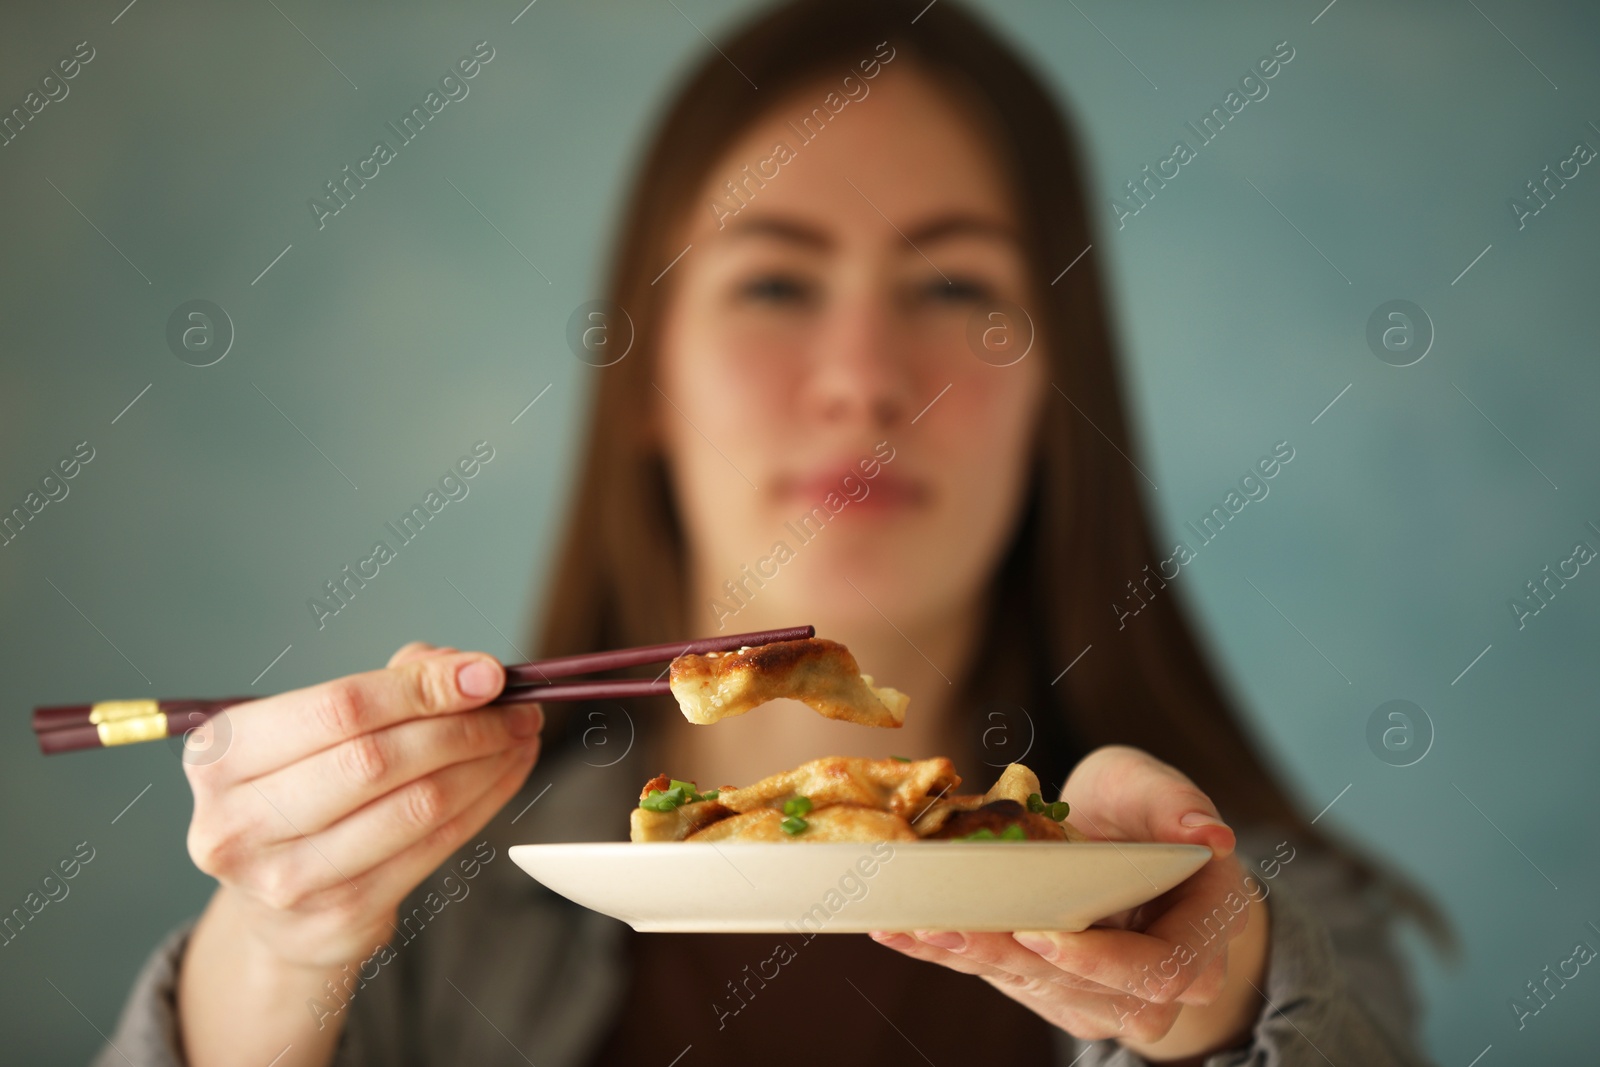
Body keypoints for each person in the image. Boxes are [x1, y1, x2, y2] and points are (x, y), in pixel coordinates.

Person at [97, 1, 1444, 1064]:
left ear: (1057, 390)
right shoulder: (436, 927)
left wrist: (1204, 1015)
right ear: (645, 384)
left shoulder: (1276, 928)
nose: (863, 374)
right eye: (777, 280)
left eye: (955, 285)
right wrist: (280, 946)